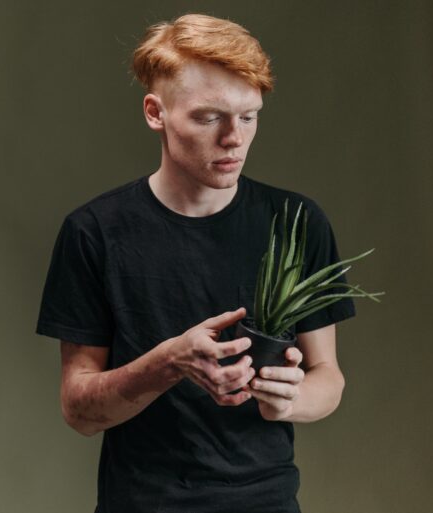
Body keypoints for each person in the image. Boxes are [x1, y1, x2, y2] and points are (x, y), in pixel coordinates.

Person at [35, 13, 355, 513]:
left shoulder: (297, 222)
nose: (235, 138)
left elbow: (327, 378)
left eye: (249, 116)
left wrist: (289, 398)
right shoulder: (93, 232)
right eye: (209, 117)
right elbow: (79, 409)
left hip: (267, 502)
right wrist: (170, 363)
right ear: (155, 113)